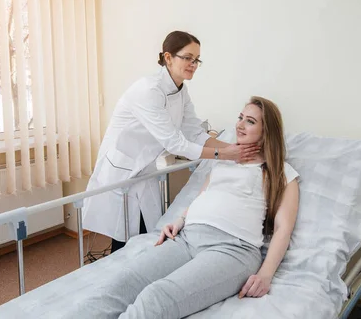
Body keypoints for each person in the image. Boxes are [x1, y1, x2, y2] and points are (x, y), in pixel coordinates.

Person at [103, 96, 301, 319]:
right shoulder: (223, 161)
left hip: (232, 250)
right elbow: (202, 196)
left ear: (267, 132)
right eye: (240, 118)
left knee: (156, 297)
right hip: (187, 239)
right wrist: (179, 220)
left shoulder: (281, 172)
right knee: (124, 282)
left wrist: (266, 274)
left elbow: (283, 228)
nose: (240, 124)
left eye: (250, 121)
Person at [82, 31, 260, 252]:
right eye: (187, 57)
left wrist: (235, 148)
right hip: (121, 169)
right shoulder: (148, 90)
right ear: (168, 58)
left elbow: (195, 133)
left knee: (144, 232)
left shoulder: (181, 91)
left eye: (197, 60)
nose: (193, 64)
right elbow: (175, 144)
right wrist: (226, 155)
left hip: (144, 169)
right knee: (125, 234)